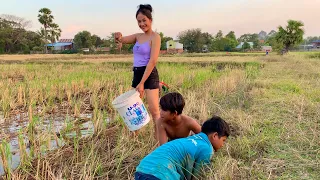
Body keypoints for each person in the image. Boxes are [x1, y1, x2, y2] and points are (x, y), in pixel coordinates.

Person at [114, 4, 161, 137]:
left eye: (144, 20)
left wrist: (142, 83)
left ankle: (158, 139)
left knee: (154, 110)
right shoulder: (138, 36)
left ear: (150, 20)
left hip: (149, 74)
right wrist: (118, 36)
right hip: (137, 72)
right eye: (139, 21)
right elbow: (122, 39)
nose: (142, 24)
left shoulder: (155, 37)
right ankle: (135, 138)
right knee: (133, 109)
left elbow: (152, 61)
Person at [135, 116, 231, 180]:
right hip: (160, 175)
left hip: (142, 170)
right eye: (223, 140)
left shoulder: (191, 139)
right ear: (215, 136)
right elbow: (196, 177)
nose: (222, 145)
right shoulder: (207, 148)